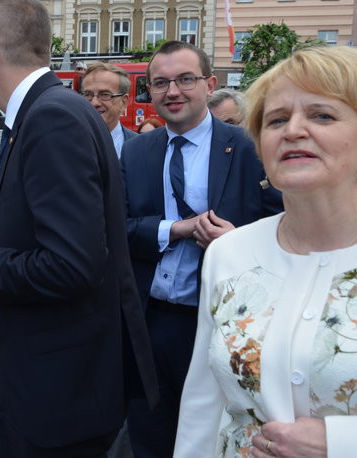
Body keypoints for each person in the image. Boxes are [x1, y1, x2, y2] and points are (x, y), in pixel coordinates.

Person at [0, 0, 158, 457]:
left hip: (57, 394)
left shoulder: (51, 117)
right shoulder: (49, 109)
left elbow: (73, 264)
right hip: (55, 382)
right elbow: (39, 210)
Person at [176, 46, 357, 457]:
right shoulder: (230, 253)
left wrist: (345, 444)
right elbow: (203, 403)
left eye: (322, 115)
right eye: (276, 120)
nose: (293, 130)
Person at [119, 40, 282, 458]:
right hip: (150, 319)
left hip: (218, 320)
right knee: (149, 432)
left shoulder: (248, 146)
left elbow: (283, 226)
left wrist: (235, 242)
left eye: (185, 80)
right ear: (149, 92)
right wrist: (175, 229)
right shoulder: (136, 151)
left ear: (209, 84)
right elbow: (114, 227)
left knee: (211, 431)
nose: (172, 92)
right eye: (160, 83)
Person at [80, 62, 137, 157]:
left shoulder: (141, 148)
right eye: (88, 94)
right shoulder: (67, 144)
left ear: (123, 102)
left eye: (105, 95)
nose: (94, 103)